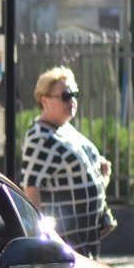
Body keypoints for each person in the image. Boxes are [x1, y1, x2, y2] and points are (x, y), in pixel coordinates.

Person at [19, 66, 113, 258]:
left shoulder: (64, 128)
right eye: (65, 95)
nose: (72, 100)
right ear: (44, 100)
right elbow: (30, 189)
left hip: (85, 241)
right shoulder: (40, 137)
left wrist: (100, 175)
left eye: (75, 94)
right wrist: (38, 241)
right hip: (64, 245)